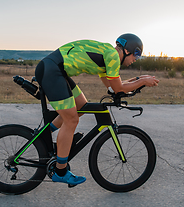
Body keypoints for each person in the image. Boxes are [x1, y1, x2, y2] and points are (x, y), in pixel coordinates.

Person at [35, 33, 159, 186]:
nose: (135, 61)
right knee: (71, 119)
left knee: (81, 105)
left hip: (54, 69)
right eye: (136, 56)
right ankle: (60, 171)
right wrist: (142, 81)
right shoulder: (113, 56)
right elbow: (118, 87)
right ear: (128, 50)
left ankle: (45, 134)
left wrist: (139, 80)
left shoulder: (108, 55)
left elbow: (114, 87)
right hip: (53, 71)